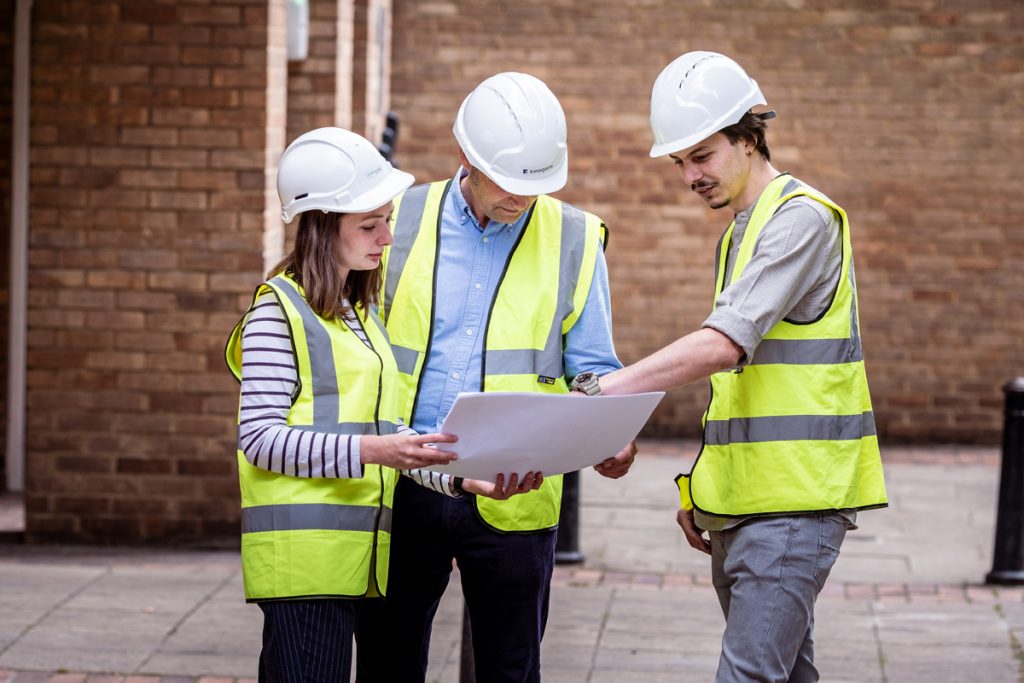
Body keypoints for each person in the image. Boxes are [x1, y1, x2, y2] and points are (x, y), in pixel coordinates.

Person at [596, 52, 888, 682]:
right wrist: (705, 494)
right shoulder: (741, 232)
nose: (689, 176)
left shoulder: (801, 220)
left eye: (702, 156)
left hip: (793, 505)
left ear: (749, 137)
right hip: (746, 506)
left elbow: (724, 344)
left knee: (747, 676)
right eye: (680, 163)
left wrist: (604, 391)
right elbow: (740, 388)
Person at [224, 127, 539, 682]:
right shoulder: (278, 312)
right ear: (322, 225)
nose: (388, 238)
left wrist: (463, 480)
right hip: (305, 565)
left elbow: (388, 436)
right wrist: (377, 448)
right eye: (370, 225)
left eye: (388, 220)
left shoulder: (356, 314)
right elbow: (259, 439)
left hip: (354, 563)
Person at [355, 72, 636, 682]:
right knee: (387, 663)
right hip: (401, 475)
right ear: (466, 157)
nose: (521, 199)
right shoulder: (396, 219)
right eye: (508, 184)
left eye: (534, 187)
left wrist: (611, 432)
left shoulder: (576, 237)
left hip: (515, 489)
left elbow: (591, 367)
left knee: (509, 671)